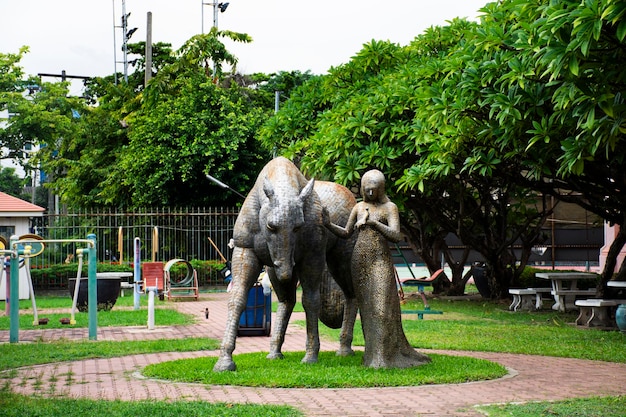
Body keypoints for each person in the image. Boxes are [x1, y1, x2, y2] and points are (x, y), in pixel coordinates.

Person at [324, 169, 430, 368]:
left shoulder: (390, 208)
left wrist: (373, 223)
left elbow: (396, 235)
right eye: (367, 190)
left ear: (381, 189)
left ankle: (386, 355)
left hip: (380, 260)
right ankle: (373, 356)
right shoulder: (358, 207)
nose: (370, 194)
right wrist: (328, 224)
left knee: (381, 309)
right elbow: (346, 233)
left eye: (374, 190)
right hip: (359, 260)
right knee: (367, 310)